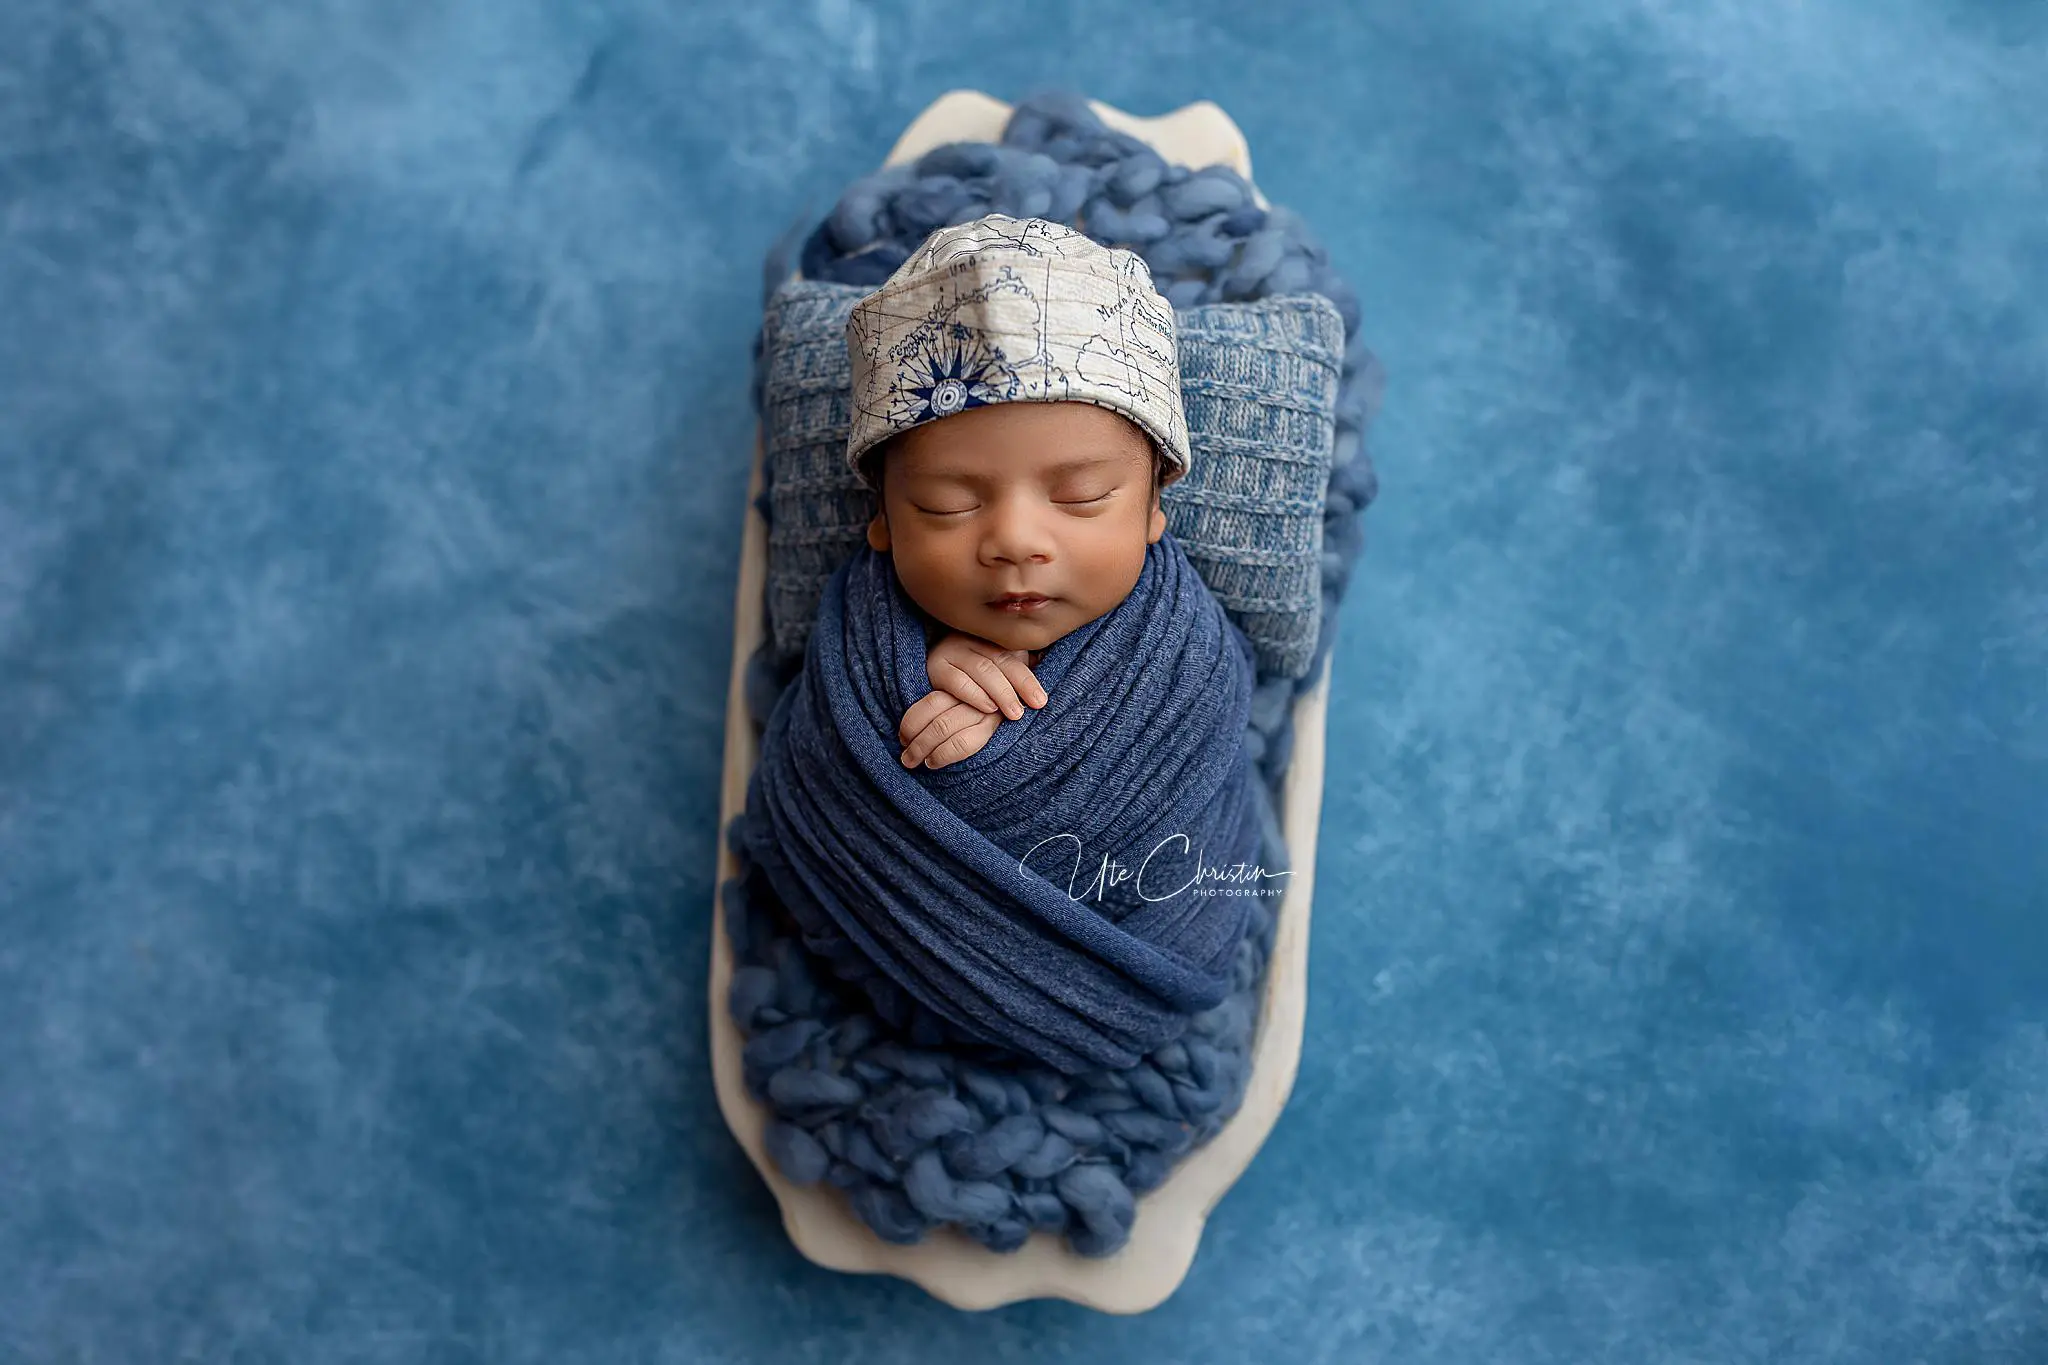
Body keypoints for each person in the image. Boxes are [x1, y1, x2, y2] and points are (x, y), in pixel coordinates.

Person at [840, 213, 1197, 771]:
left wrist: (1023, 711)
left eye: (1081, 495)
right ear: (882, 516)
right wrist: (908, 673)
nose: (1015, 540)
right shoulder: (855, 636)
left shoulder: (1182, 644)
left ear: (1153, 507)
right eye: (948, 504)